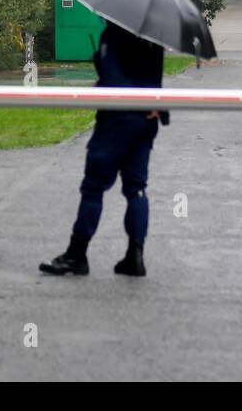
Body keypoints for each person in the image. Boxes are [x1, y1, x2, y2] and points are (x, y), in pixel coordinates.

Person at [40, 21, 168, 277]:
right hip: (146, 122)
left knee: (93, 187)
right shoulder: (154, 36)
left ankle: (77, 254)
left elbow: (114, 81)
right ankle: (135, 255)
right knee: (136, 189)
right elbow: (153, 80)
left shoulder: (114, 33)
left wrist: (100, 84)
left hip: (116, 122)